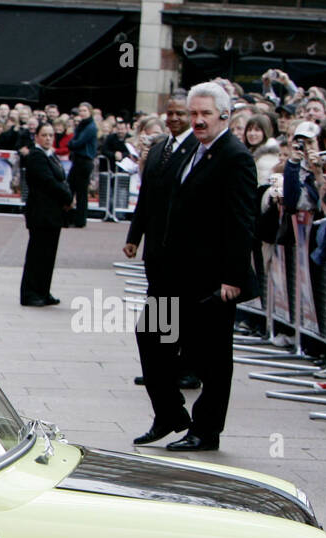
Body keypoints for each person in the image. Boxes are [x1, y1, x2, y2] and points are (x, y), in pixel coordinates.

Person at [136, 82, 258, 453]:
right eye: (194, 114)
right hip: (173, 272)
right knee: (151, 336)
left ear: (225, 114)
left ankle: (206, 431)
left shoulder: (235, 157)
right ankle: (170, 414)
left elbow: (241, 220)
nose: (198, 120)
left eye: (206, 113)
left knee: (212, 357)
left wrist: (233, 277)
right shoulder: (193, 151)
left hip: (211, 278)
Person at [125, 93, 197, 407]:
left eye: (181, 113)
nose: (174, 118)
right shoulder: (158, 149)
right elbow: (147, 198)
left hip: (181, 249)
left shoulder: (196, 149)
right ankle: (158, 368)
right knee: (158, 310)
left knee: (173, 312)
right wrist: (134, 236)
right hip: (155, 246)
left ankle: (178, 368)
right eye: (170, 113)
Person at [19, 123, 72, 306]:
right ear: (37, 137)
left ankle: (43, 290)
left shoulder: (52, 155)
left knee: (48, 255)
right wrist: (67, 196)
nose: (48, 138)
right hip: (40, 212)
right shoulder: (36, 156)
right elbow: (48, 181)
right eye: (44, 135)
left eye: (51, 135)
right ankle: (30, 293)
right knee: (37, 254)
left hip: (53, 213)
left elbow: (61, 178)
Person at [66, 102, 97, 227]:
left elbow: (78, 142)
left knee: (81, 192)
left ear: (90, 112)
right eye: (81, 111)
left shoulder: (90, 126)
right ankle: (70, 218)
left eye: (84, 110)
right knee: (71, 188)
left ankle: (80, 220)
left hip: (84, 161)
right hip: (78, 160)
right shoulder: (82, 125)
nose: (82, 113)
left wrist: (71, 144)